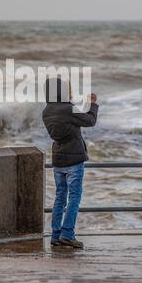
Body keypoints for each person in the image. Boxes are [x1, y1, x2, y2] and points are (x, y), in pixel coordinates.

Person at [42, 77, 99, 249]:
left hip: (58, 159)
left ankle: (56, 235)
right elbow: (90, 121)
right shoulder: (68, 109)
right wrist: (92, 104)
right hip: (74, 159)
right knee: (74, 197)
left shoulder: (46, 111)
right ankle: (67, 234)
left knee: (60, 197)